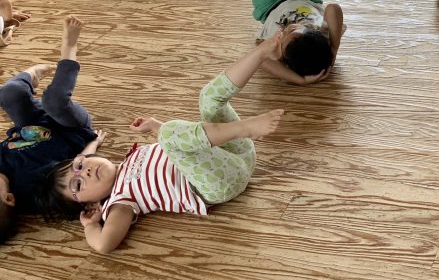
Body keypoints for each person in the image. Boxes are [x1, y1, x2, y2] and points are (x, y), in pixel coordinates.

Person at [37, 35, 286, 254]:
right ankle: (246, 128)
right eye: (78, 184)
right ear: (89, 205)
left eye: (80, 165)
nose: (86, 171)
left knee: (208, 98)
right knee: (167, 136)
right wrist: (91, 226)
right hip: (220, 183)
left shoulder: (131, 158)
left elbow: (181, 148)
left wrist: (148, 127)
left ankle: (262, 53)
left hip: (234, 155)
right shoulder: (121, 202)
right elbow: (103, 245)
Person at [0, 16, 103, 243]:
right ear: (9, 198)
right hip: (72, 129)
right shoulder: (34, 188)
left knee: (8, 94)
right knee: (54, 101)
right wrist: (93, 143)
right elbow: (76, 172)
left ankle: (31, 76)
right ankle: (69, 48)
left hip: (31, 123)